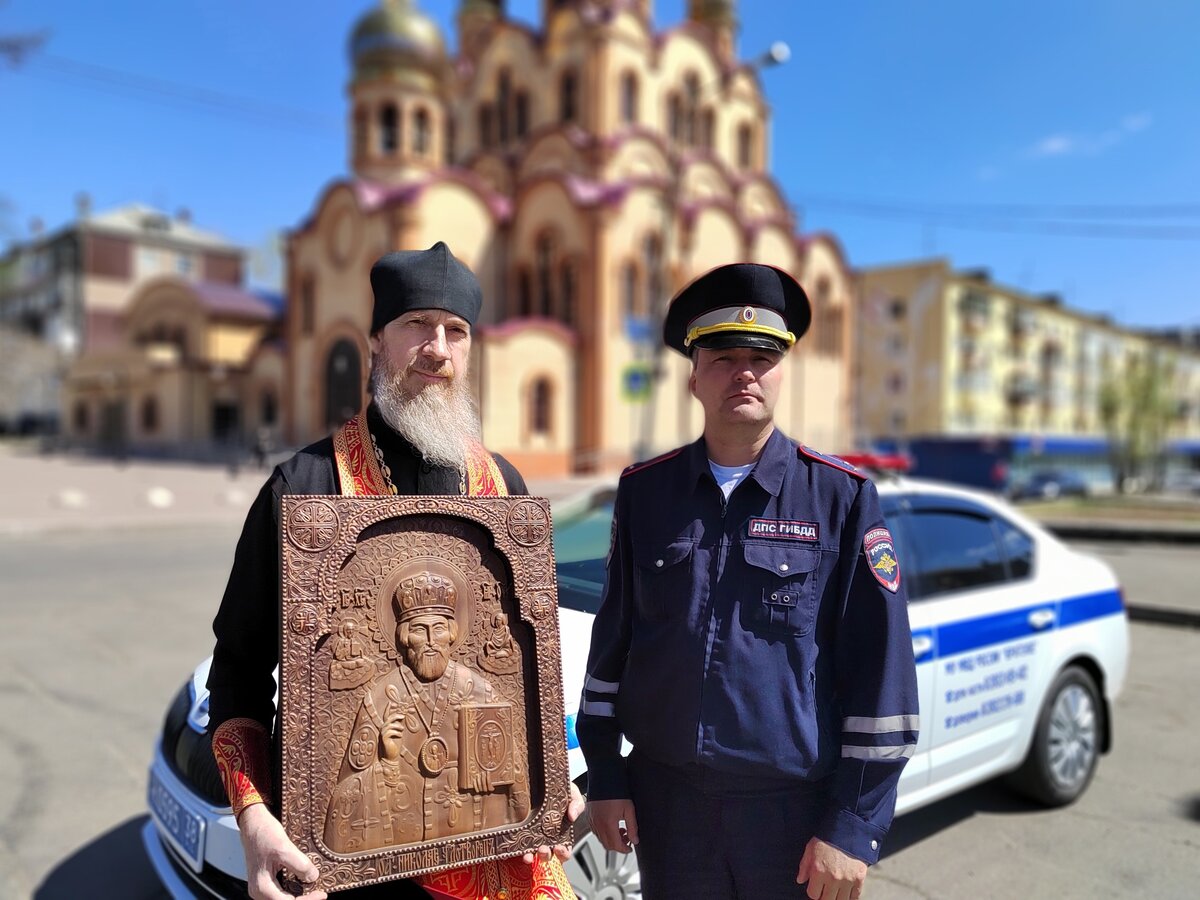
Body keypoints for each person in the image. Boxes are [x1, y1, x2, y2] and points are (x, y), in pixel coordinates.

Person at [207, 242, 581, 900]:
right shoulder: (306, 485)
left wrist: (550, 784)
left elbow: (530, 673)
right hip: (351, 874)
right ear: (377, 340)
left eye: (456, 331)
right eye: (417, 325)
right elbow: (237, 665)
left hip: (494, 856)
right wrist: (254, 815)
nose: (437, 348)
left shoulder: (505, 488)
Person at [575, 263, 920, 900]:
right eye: (725, 357)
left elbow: (883, 670)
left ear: (782, 371)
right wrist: (605, 773)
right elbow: (614, 642)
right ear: (694, 375)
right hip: (667, 809)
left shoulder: (840, 498)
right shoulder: (646, 494)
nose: (745, 373)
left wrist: (852, 825)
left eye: (762, 358)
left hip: (789, 817)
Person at [323, 568, 529, 852]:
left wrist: (493, 775)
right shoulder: (381, 697)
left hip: (477, 842)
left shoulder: (480, 690)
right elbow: (346, 793)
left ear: (452, 634)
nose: (431, 639)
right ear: (405, 637)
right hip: (399, 857)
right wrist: (387, 764)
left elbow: (515, 777)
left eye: (439, 629)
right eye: (420, 630)